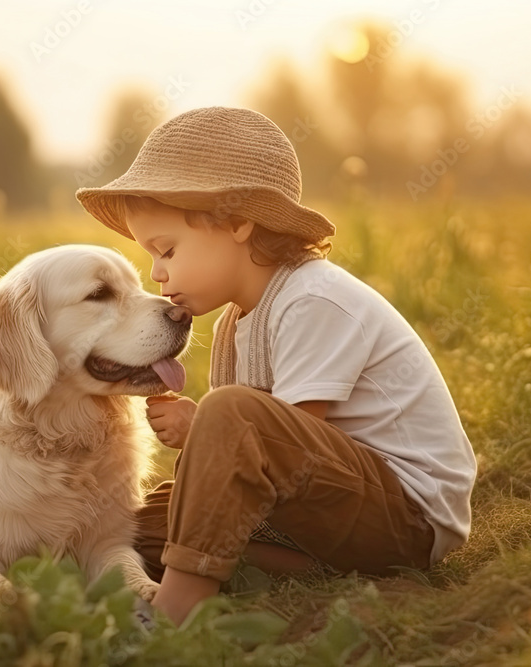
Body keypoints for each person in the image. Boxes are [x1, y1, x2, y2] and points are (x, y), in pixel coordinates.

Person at [75, 106, 476, 625]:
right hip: (331, 511)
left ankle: (172, 614)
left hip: (405, 514)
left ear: (239, 221)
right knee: (135, 527)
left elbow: (291, 438)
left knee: (232, 412)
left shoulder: (313, 299)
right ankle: (313, 568)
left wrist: (204, 426)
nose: (156, 273)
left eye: (167, 250)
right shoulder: (235, 324)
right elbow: (255, 457)